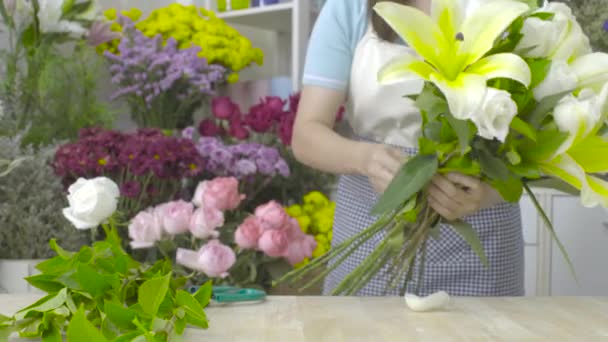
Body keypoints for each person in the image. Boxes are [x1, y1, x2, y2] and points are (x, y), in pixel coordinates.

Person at [291, 0, 524, 296]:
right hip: (371, 236)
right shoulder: (349, 8)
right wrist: (365, 159)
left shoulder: (505, 7)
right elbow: (307, 134)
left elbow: (533, 144)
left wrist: (490, 193)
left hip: (482, 242)